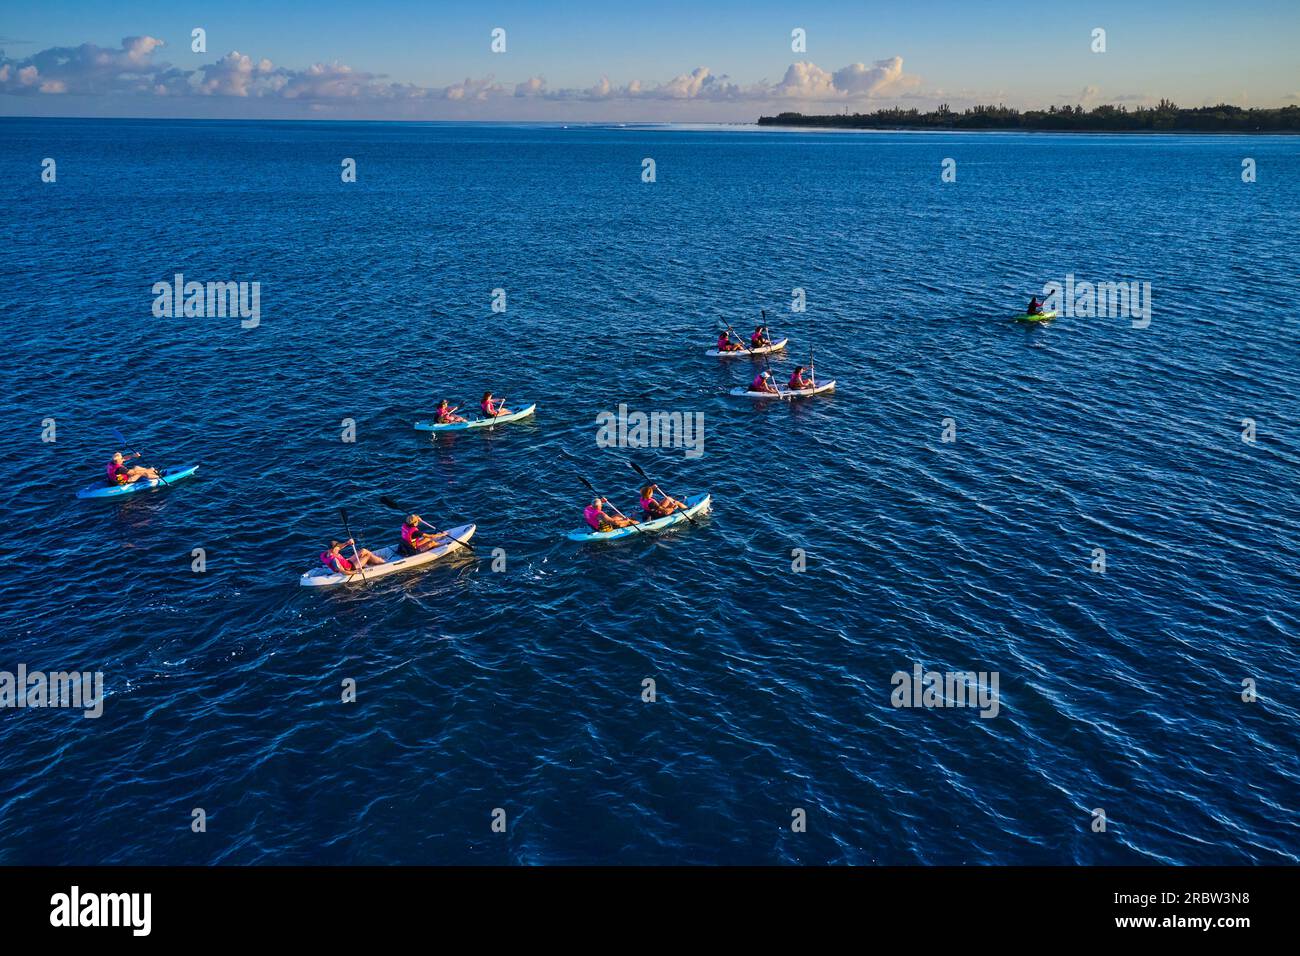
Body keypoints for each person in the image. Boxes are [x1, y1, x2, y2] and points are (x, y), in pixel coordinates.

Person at [321, 539, 386, 575]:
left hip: (348, 562)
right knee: (367, 555)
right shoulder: (334, 560)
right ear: (333, 549)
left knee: (364, 550)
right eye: (337, 548)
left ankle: (374, 560)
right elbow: (344, 572)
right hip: (350, 568)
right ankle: (383, 563)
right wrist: (357, 571)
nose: (339, 549)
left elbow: (339, 547)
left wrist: (348, 543)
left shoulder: (326, 553)